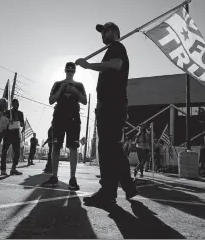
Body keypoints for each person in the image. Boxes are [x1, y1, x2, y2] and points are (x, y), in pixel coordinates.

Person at [76, 22, 138, 205]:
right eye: (101, 32)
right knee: (113, 148)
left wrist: (88, 65)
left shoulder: (117, 48)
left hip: (113, 105)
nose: (103, 34)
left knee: (107, 149)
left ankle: (108, 192)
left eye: (106, 31)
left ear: (116, 33)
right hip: (109, 105)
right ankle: (128, 186)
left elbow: (116, 65)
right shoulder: (111, 50)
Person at [41, 62, 87, 191]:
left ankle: (72, 178)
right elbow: (51, 100)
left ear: (75, 72)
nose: (70, 73)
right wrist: (61, 90)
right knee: (55, 146)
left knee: (73, 147)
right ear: (65, 70)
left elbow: (84, 101)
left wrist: (76, 92)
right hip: (59, 117)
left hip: (73, 118)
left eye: (72, 71)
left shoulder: (79, 85)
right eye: (68, 70)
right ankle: (54, 176)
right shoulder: (57, 84)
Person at [0, 99, 24, 175]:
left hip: (16, 134)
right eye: (16, 104)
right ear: (12, 104)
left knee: (17, 152)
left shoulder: (20, 113)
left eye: (18, 104)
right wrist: (8, 121)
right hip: (8, 134)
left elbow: (22, 124)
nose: (18, 105)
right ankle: (3, 170)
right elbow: (3, 122)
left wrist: (20, 122)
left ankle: (13, 168)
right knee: (4, 151)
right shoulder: (7, 112)